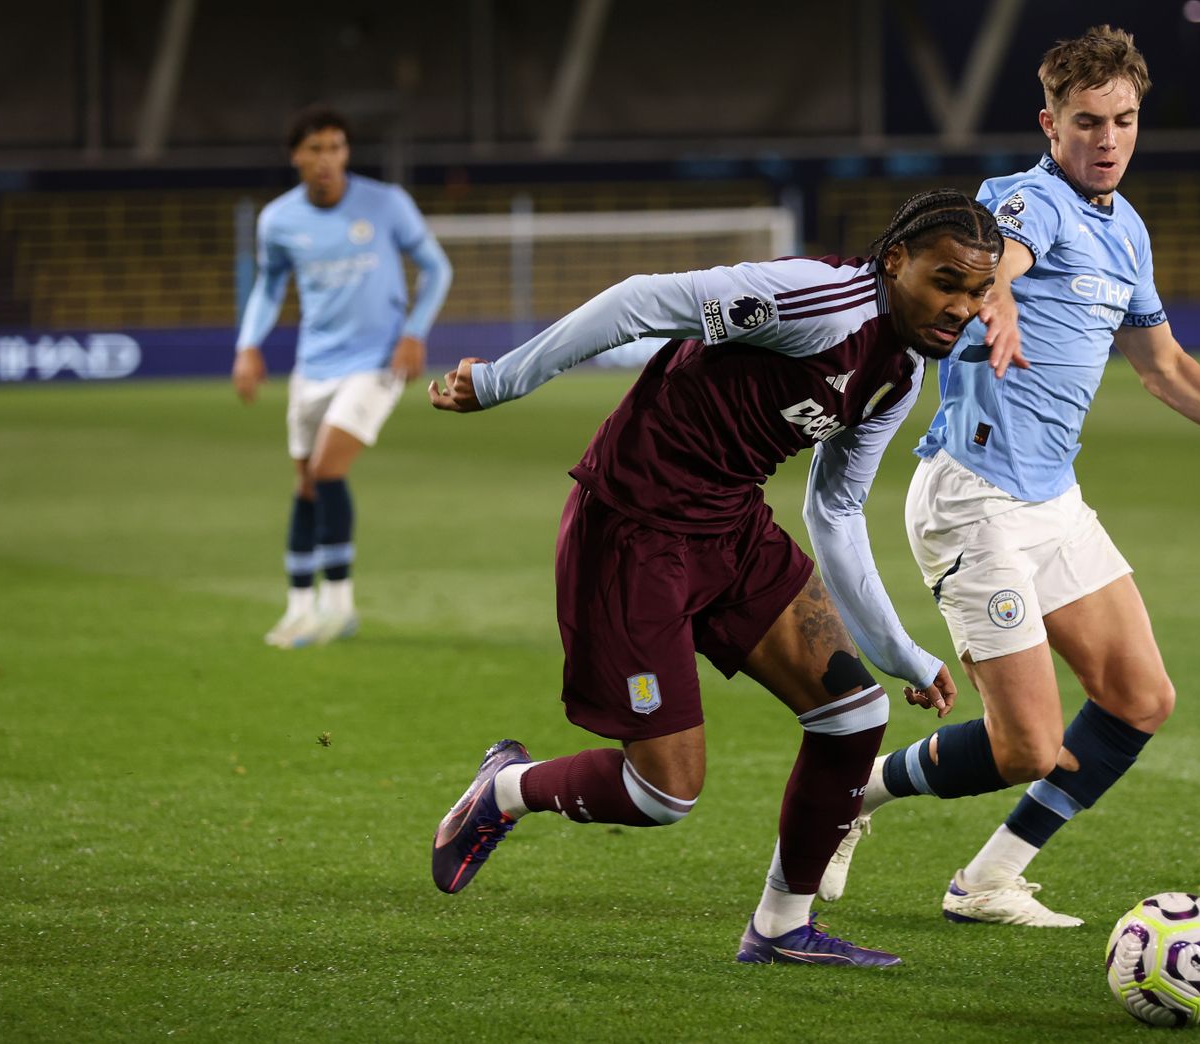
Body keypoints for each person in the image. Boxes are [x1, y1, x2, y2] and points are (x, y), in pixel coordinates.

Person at [815, 25, 1200, 927]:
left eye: (1125, 120)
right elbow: (1000, 262)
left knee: (1141, 698)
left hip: (1052, 501)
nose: (1108, 139)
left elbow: (1165, 366)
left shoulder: (1128, 231)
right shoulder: (1024, 201)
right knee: (1026, 744)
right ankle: (852, 795)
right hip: (973, 499)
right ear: (1051, 122)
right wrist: (995, 304)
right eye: (1088, 121)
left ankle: (987, 879)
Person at [427, 191, 1003, 965]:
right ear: (895, 262)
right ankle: (502, 789)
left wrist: (902, 652)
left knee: (854, 717)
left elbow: (835, 510)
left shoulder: (898, 376)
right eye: (947, 282)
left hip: (730, 528)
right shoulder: (818, 301)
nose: (963, 307)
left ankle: (780, 928)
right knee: (663, 792)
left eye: (978, 292)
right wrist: (499, 381)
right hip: (632, 531)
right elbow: (639, 302)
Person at [231, 105, 453, 648]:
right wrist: (247, 345)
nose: (326, 159)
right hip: (314, 366)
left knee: (328, 468)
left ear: (346, 152)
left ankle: (339, 605)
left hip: (378, 363)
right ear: (296, 157)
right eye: (315, 149)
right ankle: (298, 606)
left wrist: (414, 330)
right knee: (305, 484)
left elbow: (437, 267)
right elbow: (268, 286)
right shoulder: (279, 220)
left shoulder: (385, 203)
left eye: (335, 147)